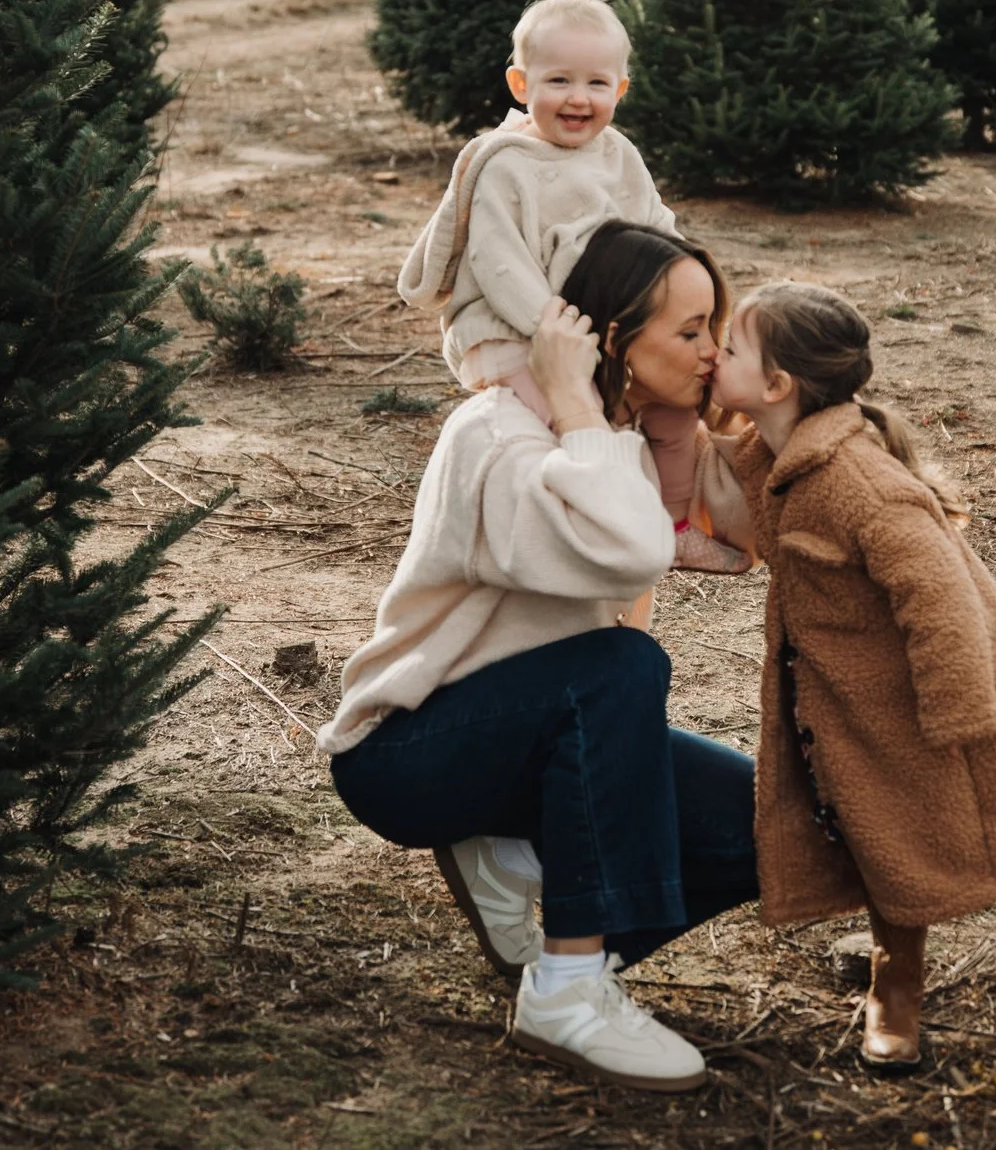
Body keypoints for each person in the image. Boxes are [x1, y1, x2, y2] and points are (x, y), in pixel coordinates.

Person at [319, 224, 758, 1093]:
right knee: (623, 669)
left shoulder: (623, 435)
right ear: (609, 340)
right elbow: (634, 550)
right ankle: (566, 987)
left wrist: (676, 428)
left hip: (533, 745)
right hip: (409, 751)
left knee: (765, 824)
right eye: (689, 331)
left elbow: (745, 533)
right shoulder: (499, 436)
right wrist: (577, 401)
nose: (712, 350)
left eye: (716, 327)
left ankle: (523, 864)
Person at [708, 282, 996, 1069]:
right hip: (861, 707)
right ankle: (893, 987)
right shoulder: (773, 457)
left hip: (953, 697)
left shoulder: (861, 482)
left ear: (777, 386)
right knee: (885, 838)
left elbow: (940, 594)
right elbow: (705, 482)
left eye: (728, 347)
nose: (712, 352)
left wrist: (960, 709)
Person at [396, 0, 746, 572]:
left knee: (671, 411)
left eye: (596, 83)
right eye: (558, 80)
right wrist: (556, 335)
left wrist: (679, 281)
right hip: (513, 327)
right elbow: (500, 263)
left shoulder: (619, 155)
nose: (578, 98)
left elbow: (655, 224)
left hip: (594, 325)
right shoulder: (507, 164)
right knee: (568, 416)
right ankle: (566, 521)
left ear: (620, 90)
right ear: (520, 83)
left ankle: (673, 523)